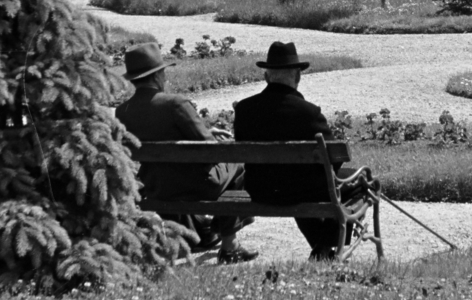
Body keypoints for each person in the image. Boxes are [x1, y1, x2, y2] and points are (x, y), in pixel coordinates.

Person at [114, 43, 258, 264]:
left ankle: (209, 231)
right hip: (197, 186)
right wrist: (213, 138)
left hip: (155, 186)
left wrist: (206, 130)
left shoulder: (122, 111)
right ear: (157, 76)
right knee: (238, 165)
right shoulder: (175, 103)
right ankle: (229, 244)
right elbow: (210, 150)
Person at [234, 41, 355, 261]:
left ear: (266, 77)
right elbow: (333, 161)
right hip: (301, 192)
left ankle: (322, 248)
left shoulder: (244, 110)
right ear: (297, 77)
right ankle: (326, 245)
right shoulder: (308, 112)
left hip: (260, 190)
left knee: (301, 184)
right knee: (356, 183)